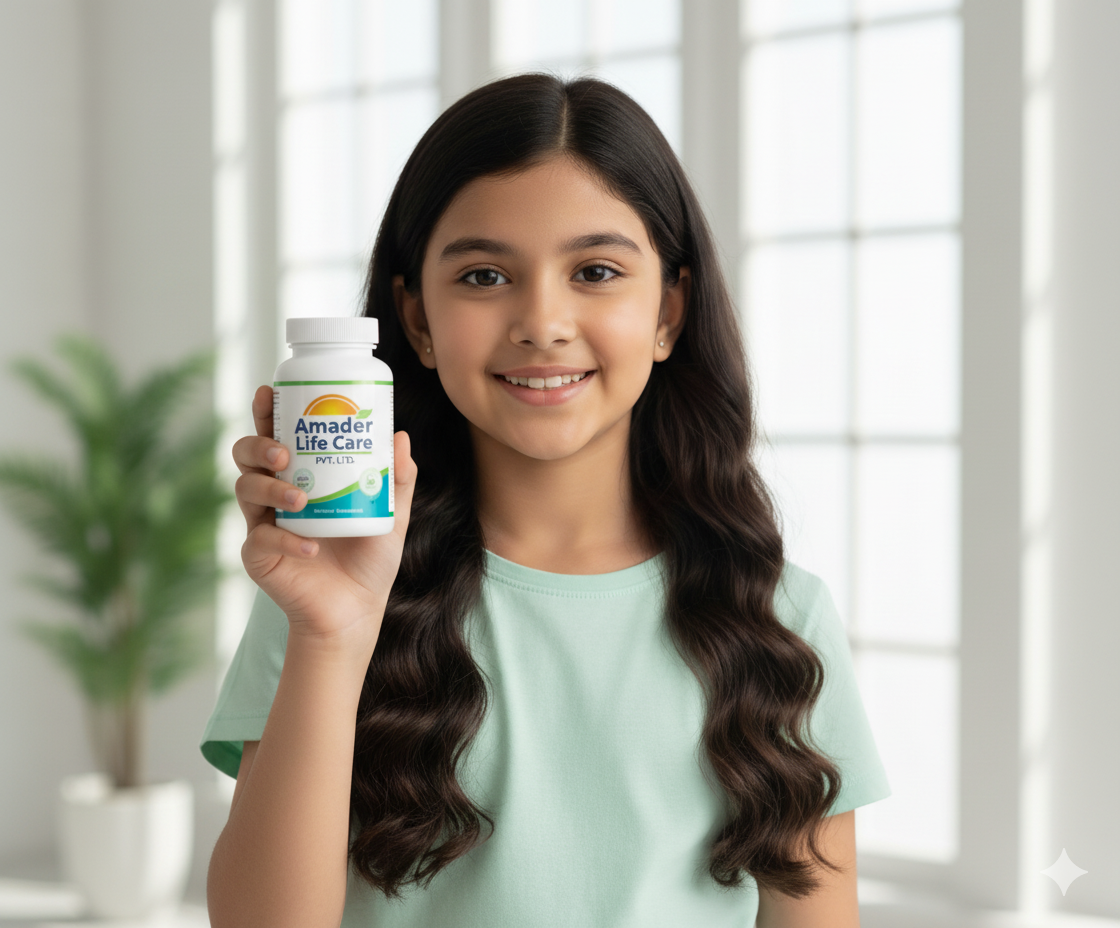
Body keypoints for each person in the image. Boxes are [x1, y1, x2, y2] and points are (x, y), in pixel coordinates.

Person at [201, 72, 890, 928]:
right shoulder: (331, 597)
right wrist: (331, 637)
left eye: (596, 271)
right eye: (485, 276)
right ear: (415, 321)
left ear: (669, 310)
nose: (542, 321)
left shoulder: (782, 619)